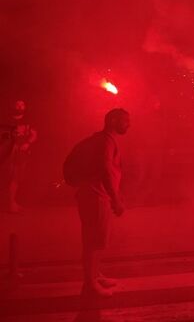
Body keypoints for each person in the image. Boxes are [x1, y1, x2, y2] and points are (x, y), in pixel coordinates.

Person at [66, 108, 129, 297]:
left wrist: (115, 195)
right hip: (95, 197)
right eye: (125, 121)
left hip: (96, 196)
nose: (129, 124)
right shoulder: (105, 142)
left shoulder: (102, 140)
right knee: (93, 241)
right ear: (112, 121)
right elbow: (106, 171)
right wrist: (116, 199)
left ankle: (95, 274)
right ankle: (90, 283)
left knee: (98, 240)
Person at [2, 100, 37, 213]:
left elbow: (34, 134)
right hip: (8, 154)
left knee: (17, 178)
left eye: (22, 104)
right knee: (8, 177)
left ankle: (13, 203)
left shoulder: (28, 121)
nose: (19, 106)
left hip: (22, 154)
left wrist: (28, 143)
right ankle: (10, 204)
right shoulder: (6, 120)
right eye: (17, 104)